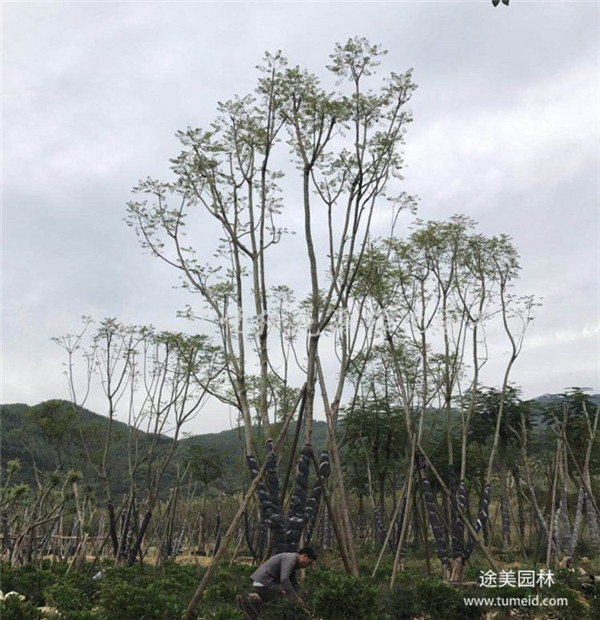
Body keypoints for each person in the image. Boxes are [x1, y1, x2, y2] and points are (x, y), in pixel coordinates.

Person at [250, 547, 317, 611]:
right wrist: (296, 598)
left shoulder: (294, 562)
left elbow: (293, 582)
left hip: (266, 583)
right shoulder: (290, 559)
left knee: (283, 598)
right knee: (282, 604)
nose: (307, 566)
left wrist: (301, 593)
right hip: (263, 584)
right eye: (309, 563)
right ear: (304, 556)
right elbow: (284, 579)